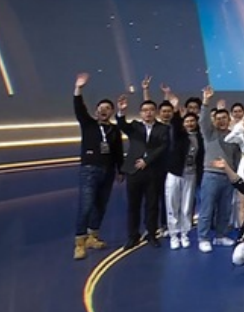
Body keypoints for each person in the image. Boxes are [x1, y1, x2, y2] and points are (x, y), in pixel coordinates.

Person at [72, 73, 123, 259]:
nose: (104, 110)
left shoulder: (114, 130)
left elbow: (118, 151)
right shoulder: (88, 124)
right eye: (101, 107)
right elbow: (79, 108)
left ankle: (93, 237)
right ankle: (79, 243)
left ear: (111, 112)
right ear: (96, 111)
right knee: (86, 206)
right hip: (89, 170)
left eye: (108, 108)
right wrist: (78, 88)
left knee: (100, 206)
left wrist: (120, 170)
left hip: (107, 172)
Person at [117, 97, 170, 249]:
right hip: (134, 171)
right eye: (145, 110)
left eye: (151, 110)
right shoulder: (135, 126)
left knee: (152, 204)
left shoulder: (163, 128)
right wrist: (121, 111)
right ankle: (132, 235)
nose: (148, 113)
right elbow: (122, 125)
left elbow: (163, 146)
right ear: (140, 113)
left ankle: (151, 234)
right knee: (133, 205)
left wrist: (147, 161)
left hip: (153, 171)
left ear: (156, 112)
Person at [196, 102, 241, 253]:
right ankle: (203, 238)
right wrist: (206, 103)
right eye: (218, 118)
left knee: (225, 209)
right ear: (214, 120)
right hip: (211, 175)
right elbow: (203, 120)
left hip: (228, 177)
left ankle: (220, 236)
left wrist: (236, 177)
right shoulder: (209, 134)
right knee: (207, 209)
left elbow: (237, 159)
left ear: (229, 120)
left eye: (224, 118)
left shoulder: (234, 137)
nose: (221, 121)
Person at [164, 105, 204, 250]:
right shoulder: (178, 136)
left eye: (192, 121)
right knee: (172, 205)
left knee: (187, 207)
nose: (190, 123)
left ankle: (185, 234)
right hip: (175, 174)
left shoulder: (200, 138)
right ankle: (174, 235)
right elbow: (174, 125)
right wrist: (175, 110)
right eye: (187, 121)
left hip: (191, 175)